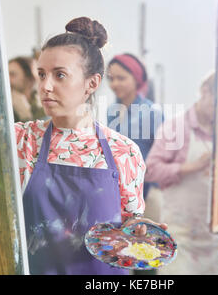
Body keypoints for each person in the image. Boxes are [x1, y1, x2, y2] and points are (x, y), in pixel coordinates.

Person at [14, 17, 167, 275]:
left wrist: (141, 231)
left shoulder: (123, 152)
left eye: (60, 75)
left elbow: (129, 225)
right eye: (41, 75)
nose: (45, 86)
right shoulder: (22, 141)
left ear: (92, 83)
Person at [145, 71, 218, 275]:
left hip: (215, 239)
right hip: (182, 236)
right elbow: (150, 170)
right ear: (205, 92)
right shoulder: (176, 128)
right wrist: (191, 167)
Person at [106, 54, 164, 275]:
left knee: (145, 255)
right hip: (120, 193)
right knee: (124, 253)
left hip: (147, 193)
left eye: (121, 78)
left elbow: (162, 156)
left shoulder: (152, 113)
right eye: (111, 78)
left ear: (136, 79)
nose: (114, 84)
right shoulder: (112, 111)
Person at [9, 56, 47, 122]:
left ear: (29, 78)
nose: (8, 79)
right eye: (6, 75)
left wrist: (25, 116)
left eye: (12, 74)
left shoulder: (45, 107)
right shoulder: (6, 108)